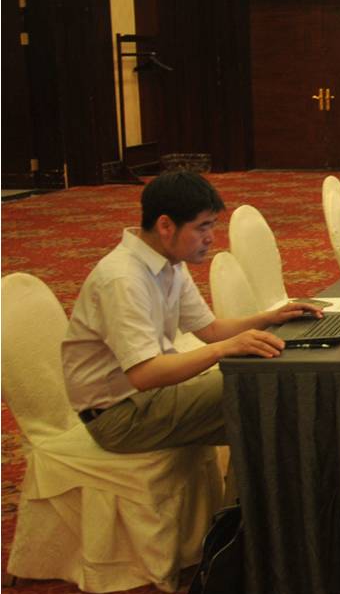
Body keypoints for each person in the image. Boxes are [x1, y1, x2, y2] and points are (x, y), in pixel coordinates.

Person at [61, 171, 317, 498]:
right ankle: (240, 522)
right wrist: (225, 349)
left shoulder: (168, 262)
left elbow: (210, 330)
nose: (210, 238)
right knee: (258, 399)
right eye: (202, 227)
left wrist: (268, 318)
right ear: (166, 226)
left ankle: (247, 514)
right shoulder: (123, 279)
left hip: (148, 397)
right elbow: (145, 373)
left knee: (263, 393)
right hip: (118, 417)